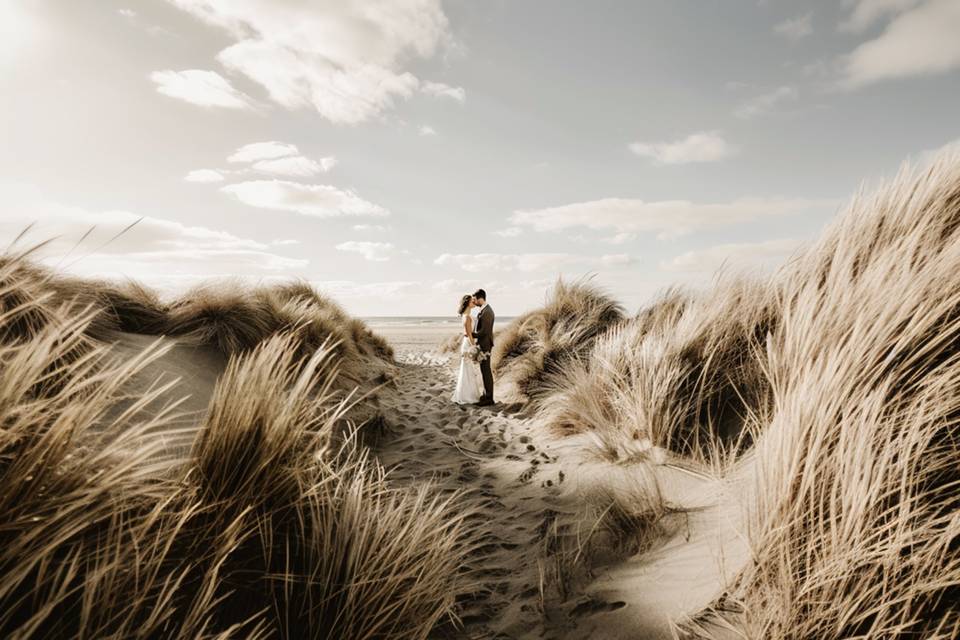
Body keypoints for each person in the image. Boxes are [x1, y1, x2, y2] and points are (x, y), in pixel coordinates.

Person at [451, 294, 484, 405]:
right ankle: (466, 396)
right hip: (467, 344)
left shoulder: (466, 315)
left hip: (466, 343)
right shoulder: (467, 317)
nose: (474, 303)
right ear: (468, 304)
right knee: (467, 370)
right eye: (472, 301)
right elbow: (469, 334)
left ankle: (466, 394)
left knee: (467, 370)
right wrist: (474, 346)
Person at [471, 289, 496, 406]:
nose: (474, 302)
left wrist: (471, 334)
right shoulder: (484, 310)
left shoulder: (487, 312)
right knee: (484, 371)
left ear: (481, 298)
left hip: (485, 345)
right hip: (483, 344)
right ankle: (486, 394)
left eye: (475, 299)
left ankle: (489, 398)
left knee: (486, 372)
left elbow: (484, 332)